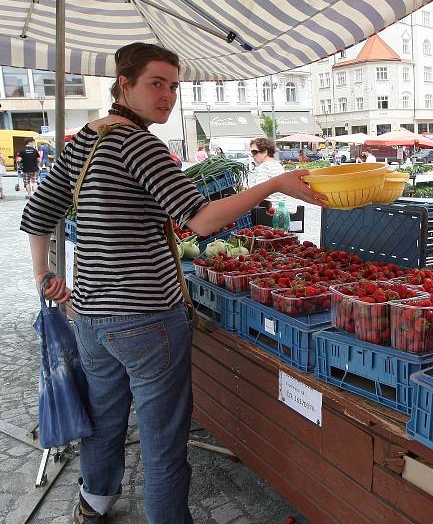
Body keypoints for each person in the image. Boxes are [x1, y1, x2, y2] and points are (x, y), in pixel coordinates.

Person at [20, 42, 324, 524]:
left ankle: (95, 501)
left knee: (104, 419)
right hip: (146, 320)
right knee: (163, 441)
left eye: (174, 86)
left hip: (92, 318)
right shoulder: (140, 144)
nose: (167, 97)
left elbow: (37, 214)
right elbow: (201, 221)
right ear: (125, 85)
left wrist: (43, 272)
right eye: (155, 84)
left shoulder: (84, 141)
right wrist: (272, 184)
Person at [250, 136, 287, 205]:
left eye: (254, 152)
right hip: (279, 206)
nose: (253, 156)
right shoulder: (278, 165)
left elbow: (258, 191)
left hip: (266, 209)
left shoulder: (264, 167)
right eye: (252, 153)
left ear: (264, 152)